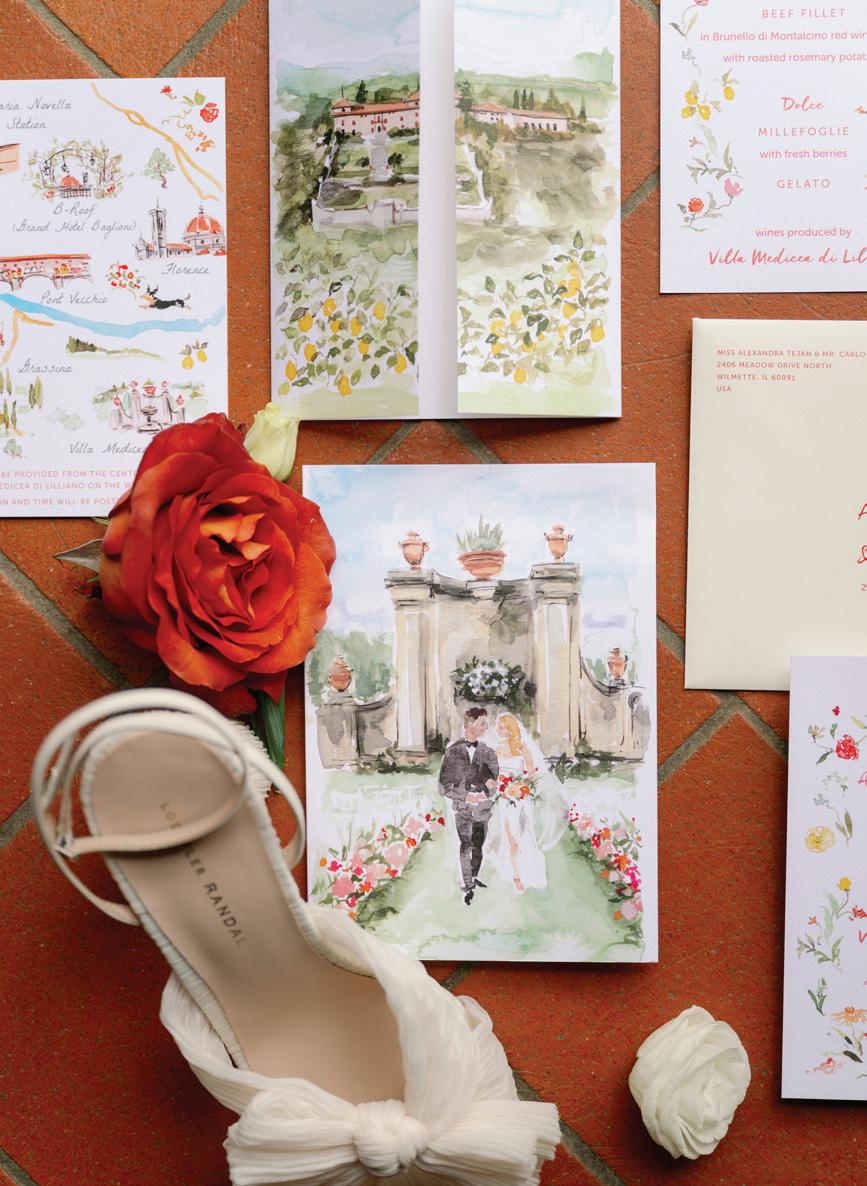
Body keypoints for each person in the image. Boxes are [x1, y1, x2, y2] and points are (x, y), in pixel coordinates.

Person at [438, 707, 499, 905]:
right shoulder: (452, 752)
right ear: (470, 724)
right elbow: (443, 786)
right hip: (462, 808)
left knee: (478, 845)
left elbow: (494, 780)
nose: (486, 726)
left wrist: (487, 789)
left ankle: (473, 875)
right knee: (466, 844)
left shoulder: (488, 752)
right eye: (482, 723)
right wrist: (465, 796)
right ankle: (467, 884)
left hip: (483, 808)